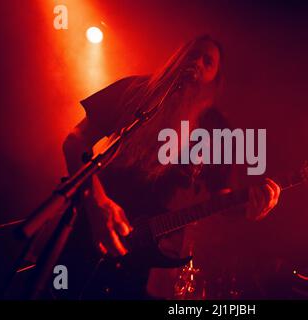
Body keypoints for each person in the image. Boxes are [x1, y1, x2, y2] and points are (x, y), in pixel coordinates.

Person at [62, 35, 281, 298]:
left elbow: (220, 196)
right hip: (90, 226)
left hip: (145, 255)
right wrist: (97, 201)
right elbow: (75, 141)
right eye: (193, 54)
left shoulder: (216, 129)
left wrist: (250, 207)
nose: (197, 62)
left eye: (207, 61)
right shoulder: (133, 90)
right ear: (177, 57)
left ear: (215, 78)